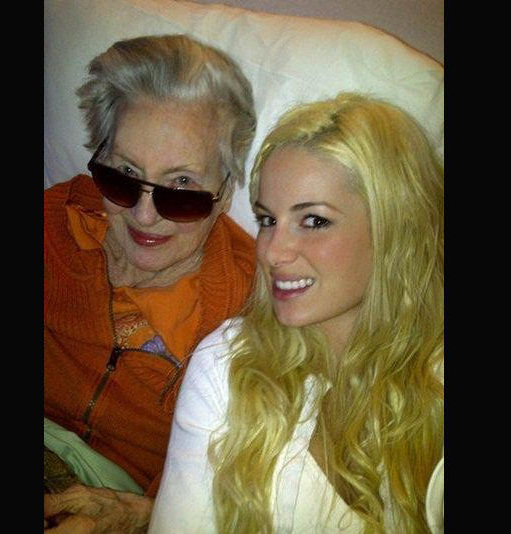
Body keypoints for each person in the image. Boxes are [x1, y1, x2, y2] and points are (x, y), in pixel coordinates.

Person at [149, 92, 444, 533]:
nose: (272, 252)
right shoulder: (229, 366)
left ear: (394, 228)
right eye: (267, 220)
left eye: (314, 221)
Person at [44, 34, 257, 531]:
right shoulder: (55, 223)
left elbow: (240, 472)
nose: (144, 216)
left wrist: (147, 516)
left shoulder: (249, 305)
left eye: (181, 185)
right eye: (123, 174)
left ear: (226, 191)